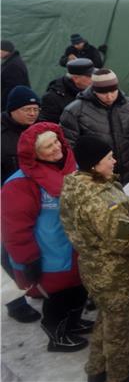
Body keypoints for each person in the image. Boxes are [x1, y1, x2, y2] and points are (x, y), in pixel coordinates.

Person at [60, 135, 129, 382]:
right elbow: (125, 240)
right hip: (114, 274)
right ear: (93, 164)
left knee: (106, 318)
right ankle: (120, 375)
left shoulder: (76, 185)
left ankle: (96, 370)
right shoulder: (101, 201)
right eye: (108, 158)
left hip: (94, 267)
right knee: (119, 326)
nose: (114, 161)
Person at [1, 123, 90, 352]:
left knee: (78, 290)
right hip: (50, 254)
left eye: (56, 141)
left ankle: (73, 322)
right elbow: (15, 229)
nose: (56, 148)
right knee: (57, 298)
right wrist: (27, 260)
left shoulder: (73, 167)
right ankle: (56, 334)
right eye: (47, 147)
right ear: (34, 154)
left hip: (76, 247)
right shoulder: (20, 184)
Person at [60, 69, 129, 186]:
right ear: (94, 90)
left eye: (113, 91)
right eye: (103, 93)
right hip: (96, 181)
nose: (109, 96)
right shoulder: (74, 112)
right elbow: (70, 149)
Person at [0, 86, 42, 323]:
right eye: (27, 109)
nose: (32, 113)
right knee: (8, 251)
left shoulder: (39, 129)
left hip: (36, 198)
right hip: (7, 202)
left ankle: (36, 286)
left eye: (36, 109)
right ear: (13, 110)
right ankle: (15, 302)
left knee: (35, 246)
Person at [40, 58, 95, 123]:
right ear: (76, 79)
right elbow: (50, 126)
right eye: (90, 76)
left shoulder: (94, 91)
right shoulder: (52, 98)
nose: (94, 79)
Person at [1, 40, 30, 110]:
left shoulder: (14, 65)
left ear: (6, 50)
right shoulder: (12, 62)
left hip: (13, 104)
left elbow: (12, 87)